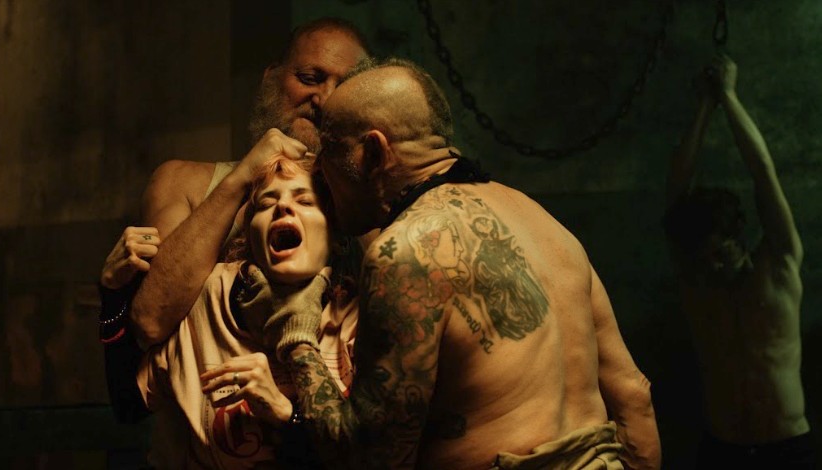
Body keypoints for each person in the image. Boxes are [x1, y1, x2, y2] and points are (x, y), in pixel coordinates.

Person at [237, 57, 661, 469]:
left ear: (374, 152)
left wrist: (295, 333)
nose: (320, 171)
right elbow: (634, 395)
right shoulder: (547, 226)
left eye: (329, 151)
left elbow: (366, 457)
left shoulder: (406, 251)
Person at [96, 17, 369, 422]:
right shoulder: (183, 182)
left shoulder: (367, 206)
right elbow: (150, 321)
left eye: (343, 88)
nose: (324, 99)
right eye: (310, 78)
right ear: (271, 79)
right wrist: (243, 177)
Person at [137, 155, 359, 468]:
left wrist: (286, 414)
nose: (282, 207)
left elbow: (366, 455)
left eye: (305, 201)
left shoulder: (359, 314)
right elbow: (129, 404)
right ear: (251, 238)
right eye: (267, 203)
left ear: (334, 235)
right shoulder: (209, 299)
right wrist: (113, 291)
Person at [663, 54, 815, 469]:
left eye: (720, 253)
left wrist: (728, 97)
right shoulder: (697, 282)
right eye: (704, 259)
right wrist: (703, 106)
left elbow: (763, 173)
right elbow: (677, 189)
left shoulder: (779, 266)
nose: (712, 266)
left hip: (787, 448)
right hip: (723, 450)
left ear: (740, 239)